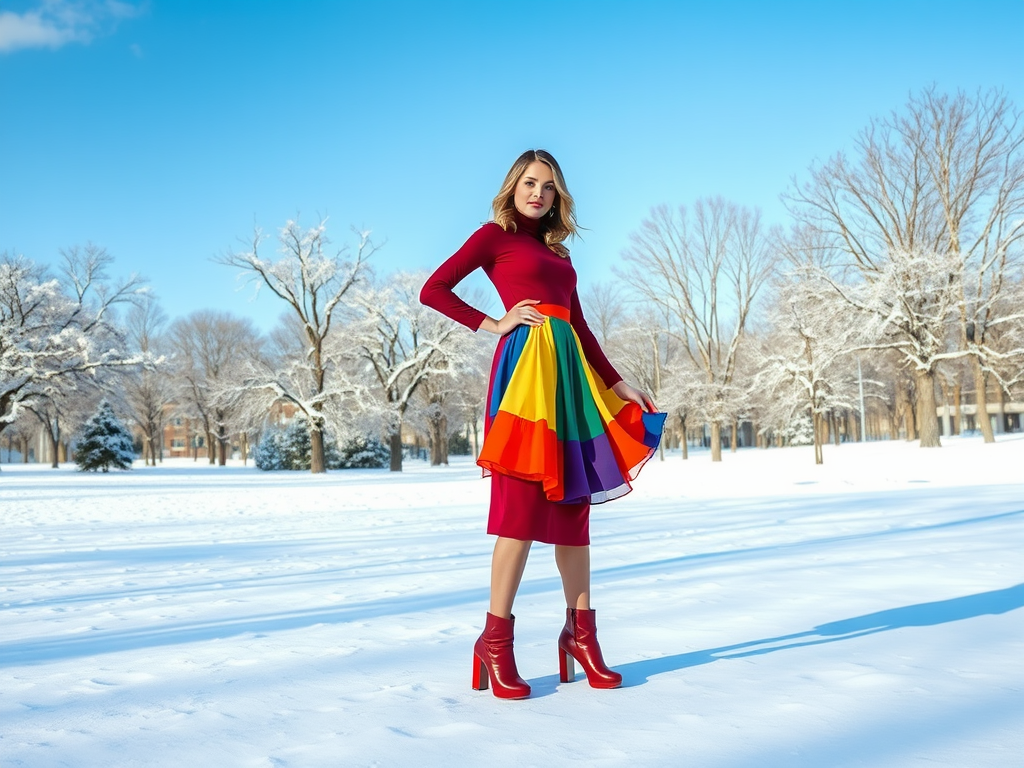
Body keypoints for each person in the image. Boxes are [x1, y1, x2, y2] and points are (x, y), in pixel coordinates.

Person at [420, 149, 665, 699]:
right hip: (524, 380)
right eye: (530, 183)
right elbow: (433, 290)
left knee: (572, 510)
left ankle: (581, 637)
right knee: (520, 511)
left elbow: (578, 324)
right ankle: (495, 643)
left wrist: (618, 382)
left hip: (570, 381)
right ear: (513, 187)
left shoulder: (558, 252)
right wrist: (493, 322)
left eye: (549, 186)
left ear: (558, 196)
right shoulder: (492, 237)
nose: (539, 193)